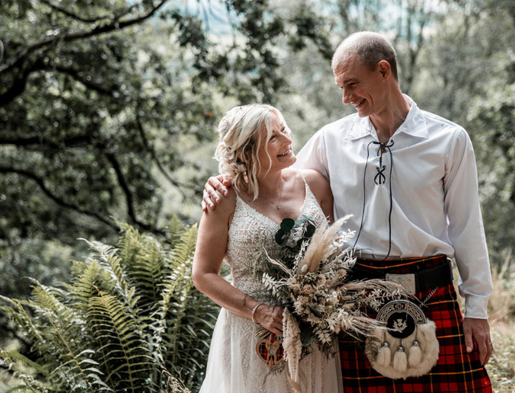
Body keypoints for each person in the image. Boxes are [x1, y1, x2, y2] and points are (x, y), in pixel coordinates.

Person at [203, 32, 494, 392]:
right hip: (358, 304)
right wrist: (223, 180)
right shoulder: (332, 139)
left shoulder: (449, 140)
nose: (345, 98)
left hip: (431, 295)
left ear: (384, 71)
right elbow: (270, 178)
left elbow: (467, 227)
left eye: (352, 84)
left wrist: (477, 309)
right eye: (341, 86)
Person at [192, 104, 343, 393]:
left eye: (284, 129)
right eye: (273, 138)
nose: (287, 140)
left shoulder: (316, 185)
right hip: (252, 334)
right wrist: (257, 310)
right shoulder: (224, 198)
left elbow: (334, 256)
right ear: (245, 152)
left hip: (315, 331)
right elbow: (203, 274)